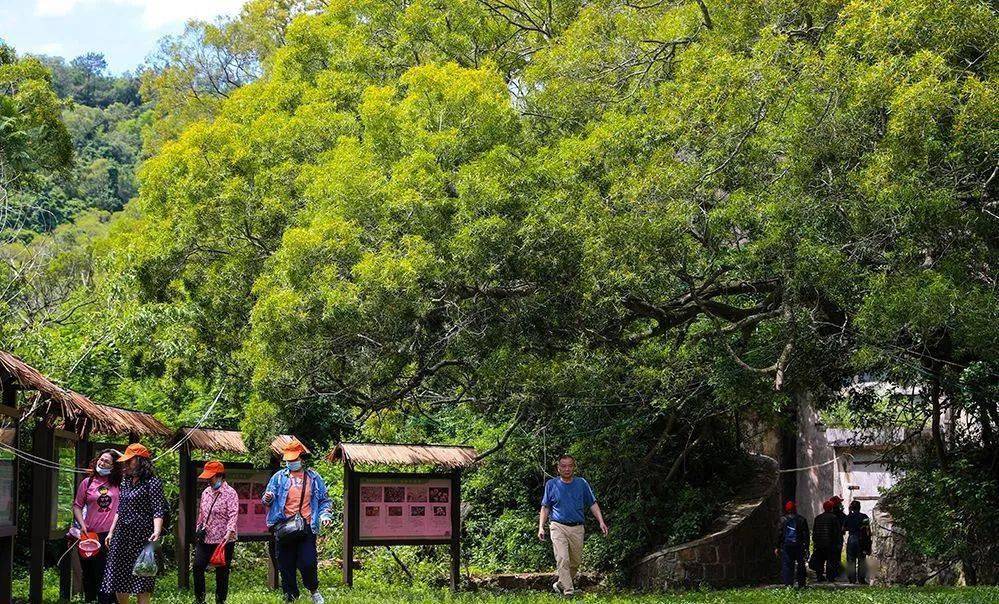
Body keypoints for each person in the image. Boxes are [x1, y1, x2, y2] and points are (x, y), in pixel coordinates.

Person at [262, 439, 333, 604]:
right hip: (284, 527)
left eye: (294, 459)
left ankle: (313, 589)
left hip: (306, 526)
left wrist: (325, 516)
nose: (291, 462)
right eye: (288, 459)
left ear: (302, 458)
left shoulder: (314, 478)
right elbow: (266, 500)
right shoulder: (279, 477)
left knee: (308, 562)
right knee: (285, 565)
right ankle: (291, 597)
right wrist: (267, 498)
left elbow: (324, 500)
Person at [102, 443, 167, 604]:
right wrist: (111, 531)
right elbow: (120, 508)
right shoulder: (125, 482)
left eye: (129, 460)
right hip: (121, 536)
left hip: (142, 537)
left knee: (142, 579)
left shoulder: (153, 483)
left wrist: (157, 531)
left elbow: (158, 509)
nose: (126, 464)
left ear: (139, 460)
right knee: (118, 577)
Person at [537, 454, 608, 598]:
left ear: (574, 467)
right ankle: (568, 592)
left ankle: (560, 584)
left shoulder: (581, 483)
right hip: (558, 526)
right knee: (563, 558)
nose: (567, 469)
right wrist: (541, 527)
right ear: (558, 468)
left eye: (570, 465)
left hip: (577, 527)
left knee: (575, 562)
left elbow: (592, 504)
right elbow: (545, 507)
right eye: (563, 466)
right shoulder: (552, 484)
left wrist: (601, 521)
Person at [73, 449, 121, 604]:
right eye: (101, 459)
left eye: (107, 461)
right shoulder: (87, 483)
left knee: (106, 573)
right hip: (89, 534)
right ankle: (90, 600)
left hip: (110, 535)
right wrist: (82, 524)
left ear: (114, 466)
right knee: (88, 573)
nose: (102, 463)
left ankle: (107, 601)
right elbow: (77, 506)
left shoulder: (119, 483)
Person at [193, 460, 238, 604]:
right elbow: (202, 512)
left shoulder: (230, 493)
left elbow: (233, 514)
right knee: (198, 566)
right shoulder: (206, 491)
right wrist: (198, 528)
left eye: (210, 476)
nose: (208, 479)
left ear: (220, 476)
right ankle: (200, 600)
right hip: (206, 538)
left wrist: (229, 531)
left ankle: (220, 601)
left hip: (224, 539)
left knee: (222, 572)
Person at [775, 500, 809, 587]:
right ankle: (801, 584)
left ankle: (788, 584)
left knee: (787, 565)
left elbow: (779, 534)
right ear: (795, 508)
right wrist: (807, 547)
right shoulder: (801, 519)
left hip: (787, 546)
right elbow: (806, 535)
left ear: (786, 509)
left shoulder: (783, 520)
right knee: (801, 564)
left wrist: (777, 546)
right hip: (799, 546)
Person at [843, 500, 872, 584]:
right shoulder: (864, 516)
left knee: (851, 560)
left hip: (851, 538)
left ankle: (852, 579)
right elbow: (868, 530)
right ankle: (861, 579)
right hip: (861, 539)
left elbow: (843, 529)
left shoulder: (848, 517)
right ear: (859, 507)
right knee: (861, 559)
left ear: (852, 507)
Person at [810, 499, 839, 582]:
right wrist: (837, 542)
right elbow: (836, 532)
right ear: (831, 508)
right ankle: (830, 577)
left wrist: (815, 542)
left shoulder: (818, 518)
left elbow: (815, 531)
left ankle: (819, 576)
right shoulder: (834, 518)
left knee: (820, 560)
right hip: (830, 543)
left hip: (819, 543)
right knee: (830, 560)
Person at [829, 495, 846, 580]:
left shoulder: (829, 515)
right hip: (838, 539)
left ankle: (831, 574)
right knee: (837, 556)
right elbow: (845, 527)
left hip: (829, 539)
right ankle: (836, 573)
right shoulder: (841, 515)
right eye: (840, 503)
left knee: (830, 557)